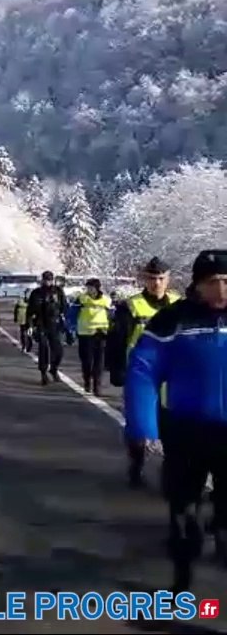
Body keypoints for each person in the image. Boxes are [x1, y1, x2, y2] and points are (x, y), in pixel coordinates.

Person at [124, 249, 227, 592]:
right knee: (183, 513)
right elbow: (143, 370)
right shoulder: (173, 321)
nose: (222, 290)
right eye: (214, 282)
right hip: (186, 431)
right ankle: (181, 584)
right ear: (198, 284)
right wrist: (142, 425)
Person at [108, 257, 180, 488]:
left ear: (168, 279)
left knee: (173, 426)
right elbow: (117, 340)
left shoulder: (180, 305)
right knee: (139, 425)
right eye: (152, 279)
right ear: (144, 280)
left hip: (173, 377)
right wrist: (117, 369)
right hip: (142, 376)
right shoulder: (131, 306)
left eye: (161, 278)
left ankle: (171, 472)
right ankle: (136, 464)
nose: (156, 283)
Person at [67, 278, 111, 396]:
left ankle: (97, 385)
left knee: (99, 361)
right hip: (85, 333)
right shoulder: (82, 299)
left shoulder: (106, 300)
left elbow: (112, 315)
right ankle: (87, 380)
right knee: (87, 360)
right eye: (88, 288)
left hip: (101, 333)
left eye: (91, 288)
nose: (89, 290)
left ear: (97, 288)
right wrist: (70, 328)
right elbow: (72, 314)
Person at [26, 270, 68, 385]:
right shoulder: (36, 293)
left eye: (49, 280)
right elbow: (30, 311)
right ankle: (43, 373)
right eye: (45, 279)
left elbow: (64, 307)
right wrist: (29, 325)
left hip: (55, 323)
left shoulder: (58, 292)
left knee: (58, 350)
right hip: (40, 324)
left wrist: (63, 319)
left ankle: (54, 368)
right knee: (43, 349)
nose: (47, 282)